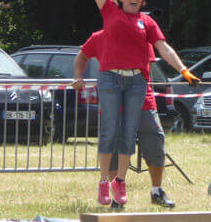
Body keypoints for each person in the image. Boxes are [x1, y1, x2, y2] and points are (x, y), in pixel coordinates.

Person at [76, 0, 199, 207]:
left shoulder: (147, 22)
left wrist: (183, 69)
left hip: (138, 88)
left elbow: (164, 48)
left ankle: (156, 191)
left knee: (154, 138)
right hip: (112, 84)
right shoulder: (110, 11)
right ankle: (112, 191)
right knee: (113, 137)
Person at [74, 31, 176, 208]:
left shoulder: (142, 37)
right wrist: (78, 76)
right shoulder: (99, 37)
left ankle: (157, 191)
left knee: (155, 142)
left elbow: (147, 70)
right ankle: (116, 197)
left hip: (144, 102)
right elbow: (82, 57)